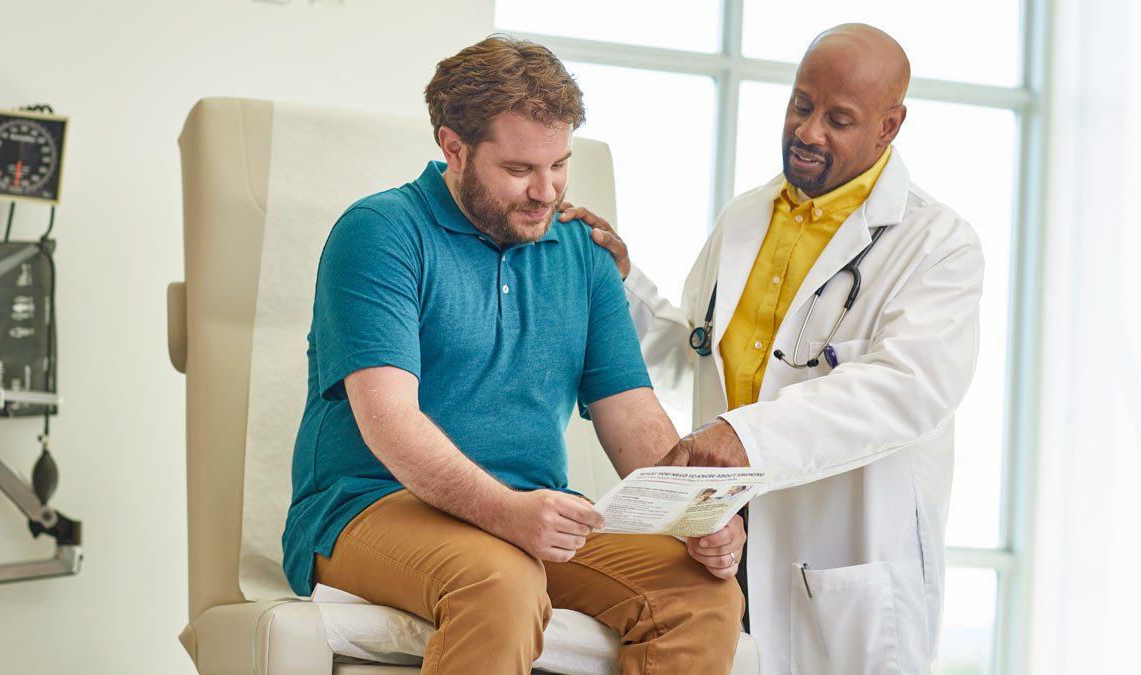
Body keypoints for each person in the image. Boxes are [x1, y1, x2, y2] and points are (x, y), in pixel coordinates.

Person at [280, 35, 746, 675]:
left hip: (533, 508)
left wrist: (699, 515)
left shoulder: (582, 252)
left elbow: (632, 414)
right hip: (370, 505)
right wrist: (504, 512)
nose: (547, 191)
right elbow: (389, 421)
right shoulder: (380, 232)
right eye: (521, 170)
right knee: (500, 581)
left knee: (698, 591)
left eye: (560, 165)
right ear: (453, 147)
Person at [562, 23, 983, 675]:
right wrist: (620, 286)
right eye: (801, 103)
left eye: (839, 119)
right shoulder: (748, 216)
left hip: (845, 558)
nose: (809, 132)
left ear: (889, 126)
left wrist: (744, 436)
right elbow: (691, 353)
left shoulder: (937, 244)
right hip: (726, 543)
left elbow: (907, 389)